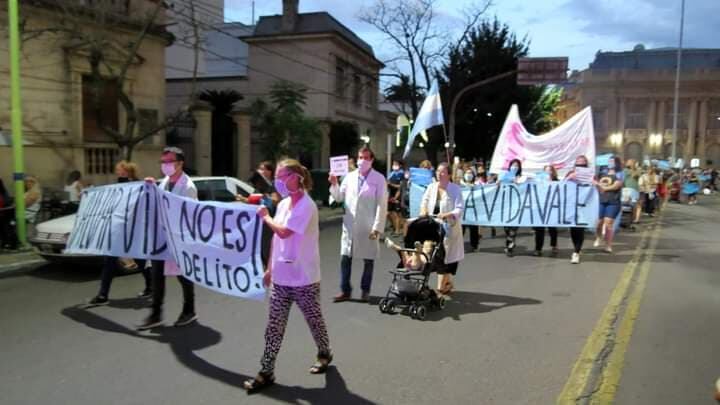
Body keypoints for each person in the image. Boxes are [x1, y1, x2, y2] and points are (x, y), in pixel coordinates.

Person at [243, 159, 332, 393]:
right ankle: (266, 371)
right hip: (282, 278)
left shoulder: (307, 206)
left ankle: (324, 352)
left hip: (304, 278)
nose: (278, 181)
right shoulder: (283, 205)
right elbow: (275, 239)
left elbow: (283, 232)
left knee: (314, 321)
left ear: (297, 177)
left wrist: (264, 216)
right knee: (274, 327)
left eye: (283, 176)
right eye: (277, 177)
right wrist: (270, 268)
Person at [138, 146, 198, 330]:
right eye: (163, 162)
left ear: (180, 163)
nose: (165, 165)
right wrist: (150, 186)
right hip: (161, 238)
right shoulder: (163, 182)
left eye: (169, 162)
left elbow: (190, 215)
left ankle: (189, 310)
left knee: (184, 277)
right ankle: (156, 314)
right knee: (157, 276)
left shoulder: (188, 187)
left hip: (179, 240)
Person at [86, 161, 152, 306]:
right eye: (117, 170)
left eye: (121, 171)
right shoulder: (116, 187)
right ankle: (103, 295)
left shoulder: (139, 187)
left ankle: (151, 286)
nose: (118, 173)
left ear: (129, 172)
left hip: (133, 231)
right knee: (109, 262)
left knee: (140, 261)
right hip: (118, 230)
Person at [329, 146, 387, 302]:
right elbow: (339, 197)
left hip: (368, 225)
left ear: (372, 160)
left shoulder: (379, 179)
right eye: (360, 157)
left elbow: (382, 205)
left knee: (368, 260)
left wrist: (377, 227)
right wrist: (334, 184)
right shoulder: (349, 177)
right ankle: (345, 290)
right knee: (345, 258)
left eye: (366, 158)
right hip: (350, 224)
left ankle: (365, 290)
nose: (362, 161)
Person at [419, 162, 464, 296]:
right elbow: (424, 201)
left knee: (445, 255)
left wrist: (447, 214)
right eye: (438, 171)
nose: (439, 173)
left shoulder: (455, 189)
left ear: (449, 174)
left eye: (443, 171)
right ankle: (446, 282)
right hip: (433, 225)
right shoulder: (431, 187)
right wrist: (423, 210)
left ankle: (442, 284)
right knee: (436, 254)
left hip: (449, 226)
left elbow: (459, 208)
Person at [594, 156, 624, 253]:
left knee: (608, 223)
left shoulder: (620, 173)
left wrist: (604, 188)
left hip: (613, 201)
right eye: (609, 161)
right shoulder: (602, 173)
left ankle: (608, 245)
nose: (610, 163)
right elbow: (595, 182)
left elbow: (617, 185)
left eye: (612, 161)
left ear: (616, 163)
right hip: (601, 201)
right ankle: (599, 237)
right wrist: (596, 184)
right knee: (599, 222)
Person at [565, 155, 591, 264]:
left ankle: (576, 252)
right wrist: (569, 178)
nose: (580, 163)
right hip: (572, 205)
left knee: (580, 229)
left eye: (583, 161)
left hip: (584, 205)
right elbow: (562, 185)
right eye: (578, 161)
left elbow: (593, 186)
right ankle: (576, 248)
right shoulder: (571, 173)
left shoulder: (590, 174)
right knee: (573, 229)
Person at [533, 165, 559, 257]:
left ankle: (554, 245)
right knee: (539, 229)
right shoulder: (538, 181)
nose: (548, 172)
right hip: (541, 207)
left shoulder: (556, 181)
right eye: (546, 170)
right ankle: (538, 248)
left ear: (552, 172)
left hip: (552, 207)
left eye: (550, 170)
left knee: (552, 228)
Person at [502, 159, 524, 257]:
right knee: (506, 228)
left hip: (516, 206)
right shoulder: (504, 175)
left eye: (517, 166)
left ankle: (510, 248)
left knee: (513, 228)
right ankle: (510, 243)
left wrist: (517, 182)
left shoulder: (521, 177)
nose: (515, 167)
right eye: (513, 165)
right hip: (506, 206)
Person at [460, 167, 480, 252]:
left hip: (473, 211)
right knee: (461, 229)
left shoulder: (477, 185)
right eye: (467, 173)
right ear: (464, 175)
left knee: (473, 228)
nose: (469, 175)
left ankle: (474, 245)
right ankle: (459, 245)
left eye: (470, 173)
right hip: (462, 211)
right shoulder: (460, 186)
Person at [387, 159, 405, 236]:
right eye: (393, 164)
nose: (394, 165)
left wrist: (390, 184)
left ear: (400, 165)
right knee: (388, 213)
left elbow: (400, 187)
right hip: (390, 195)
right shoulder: (392, 173)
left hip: (397, 195)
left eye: (396, 164)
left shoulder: (401, 173)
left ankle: (398, 230)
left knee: (397, 214)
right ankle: (396, 227)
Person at [623, 160, 642, 224]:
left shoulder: (626, 171)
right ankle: (634, 219)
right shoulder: (626, 170)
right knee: (635, 205)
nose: (626, 163)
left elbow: (635, 175)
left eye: (628, 162)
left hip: (630, 190)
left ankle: (634, 219)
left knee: (634, 205)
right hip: (631, 190)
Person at [0, 177, 12, 249]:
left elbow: (6, 202)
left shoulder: (3, 194)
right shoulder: (4, 193)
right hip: (3, 214)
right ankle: (5, 243)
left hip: (3, 214)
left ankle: (6, 243)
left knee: (4, 229)